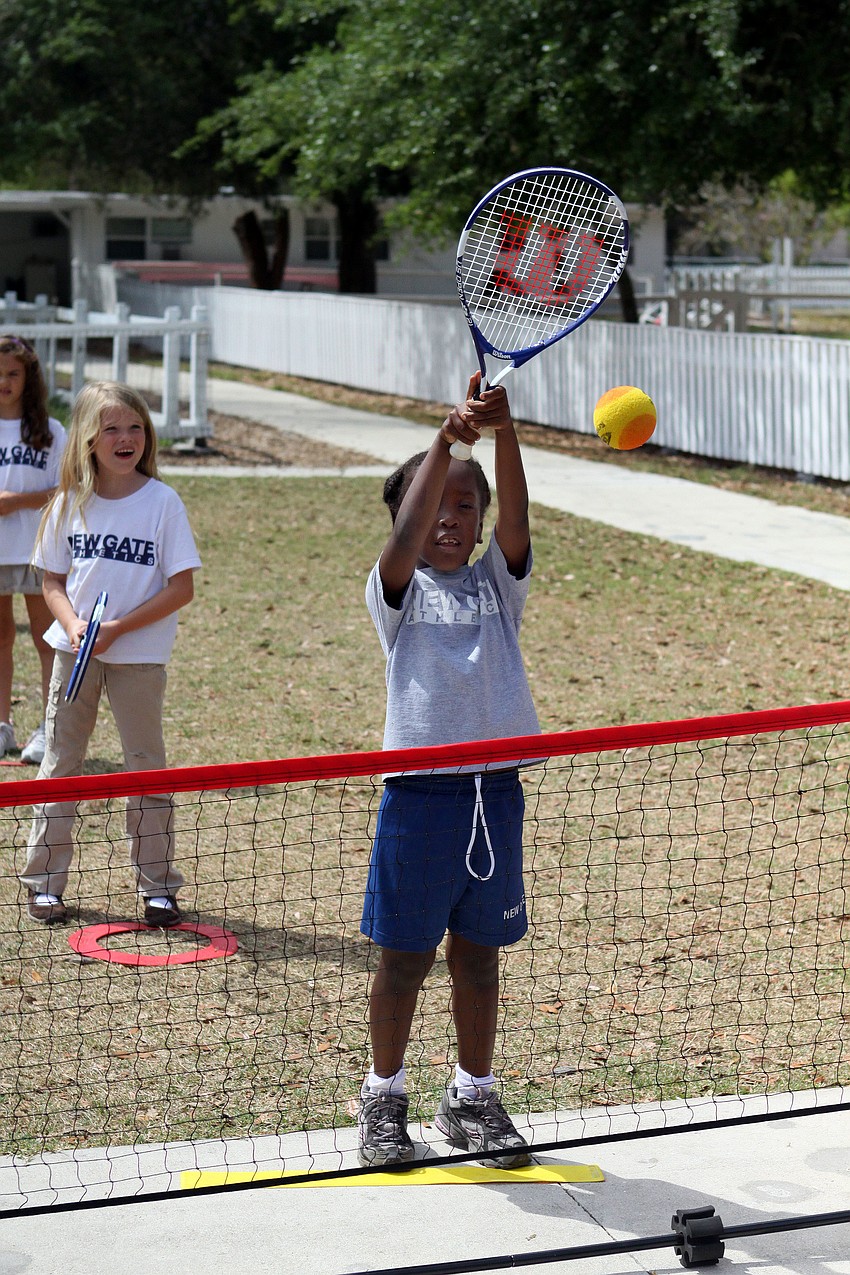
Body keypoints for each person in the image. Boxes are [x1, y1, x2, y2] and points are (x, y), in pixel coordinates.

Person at [358, 371, 540, 1169]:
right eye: (435, 505)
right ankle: (383, 1097)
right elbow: (403, 540)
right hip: (420, 799)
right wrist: (446, 438)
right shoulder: (395, 589)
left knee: (479, 956)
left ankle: (471, 1096)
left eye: (466, 505)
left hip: (493, 793)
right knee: (404, 961)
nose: (450, 517)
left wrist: (500, 432)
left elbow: (518, 518)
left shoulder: (498, 586)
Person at [19, 381, 201, 927]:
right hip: (76, 653)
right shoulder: (67, 503)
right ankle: (43, 883)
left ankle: (158, 888)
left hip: (138, 657)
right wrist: (75, 625)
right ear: (88, 439)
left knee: (145, 766)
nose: (125, 438)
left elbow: (181, 587)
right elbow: (52, 581)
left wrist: (119, 628)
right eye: (111, 429)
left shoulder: (162, 503)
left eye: (136, 427)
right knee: (61, 764)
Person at [0, 335, 67, 764]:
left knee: (47, 640)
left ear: (29, 378)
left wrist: (17, 502)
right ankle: (2, 726)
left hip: (36, 550)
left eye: (12, 373)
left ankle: (49, 728)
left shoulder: (50, 431)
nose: (4, 381)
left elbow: (66, 489)